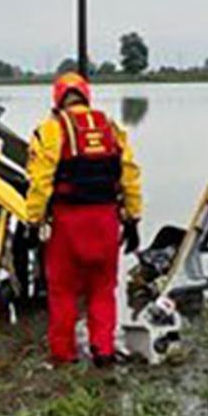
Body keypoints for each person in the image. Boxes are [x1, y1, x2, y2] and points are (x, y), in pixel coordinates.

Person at [25, 71, 144, 365]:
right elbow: (129, 175)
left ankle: (63, 354)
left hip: (68, 222)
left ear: (58, 98)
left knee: (63, 291)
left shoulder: (51, 130)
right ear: (86, 96)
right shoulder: (111, 128)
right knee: (103, 289)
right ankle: (103, 349)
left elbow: (40, 182)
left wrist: (33, 222)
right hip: (106, 220)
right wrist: (133, 219)